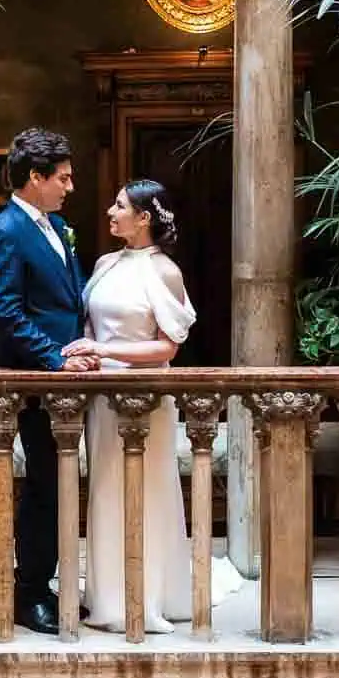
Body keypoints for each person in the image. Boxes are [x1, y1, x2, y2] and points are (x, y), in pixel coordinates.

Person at [63, 179, 244, 632]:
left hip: (144, 397)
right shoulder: (105, 263)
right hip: (102, 398)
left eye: (119, 205)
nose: (110, 210)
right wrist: (88, 352)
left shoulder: (165, 272)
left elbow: (167, 348)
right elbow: (89, 323)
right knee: (104, 485)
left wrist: (106, 352)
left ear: (144, 218)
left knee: (145, 486)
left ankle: (150, 593)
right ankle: (105, 593)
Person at [0, 127, 99, 636]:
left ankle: (44, 583)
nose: (70, 187)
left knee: (60, 483)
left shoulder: (57, 226)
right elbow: (7, 311)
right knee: (45, 486)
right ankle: (28, 595)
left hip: (68, 380)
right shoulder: (4, 231)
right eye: (63, 178)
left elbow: (67, 300)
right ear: (35, 177)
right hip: (35, 383)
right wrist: (54, 360)